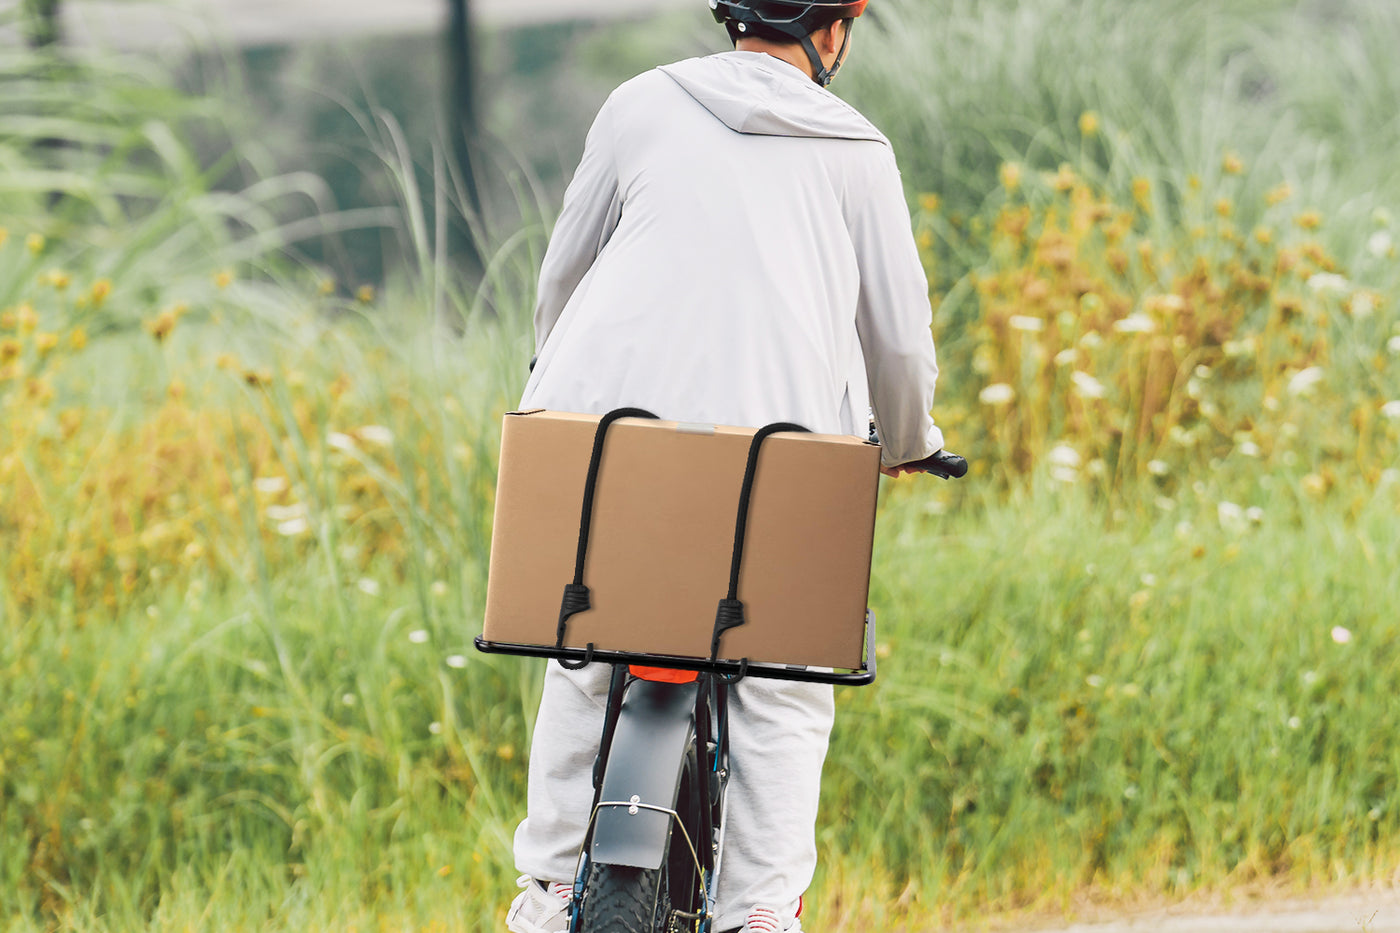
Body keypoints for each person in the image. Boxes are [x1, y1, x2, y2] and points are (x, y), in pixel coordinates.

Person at [505, 2, 944, 931]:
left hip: (611, 435)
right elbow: (898, 344)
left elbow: (564, 272)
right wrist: (909, 440)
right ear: (833, 33)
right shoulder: (858, 149)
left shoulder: (639, 104)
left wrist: (554, 380)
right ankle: (758, 910)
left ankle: (545, 893)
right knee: (782, 680)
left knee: (583, 641)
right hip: (781, 460)